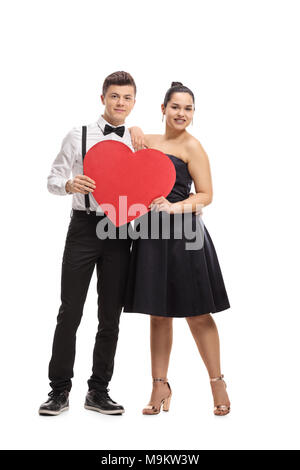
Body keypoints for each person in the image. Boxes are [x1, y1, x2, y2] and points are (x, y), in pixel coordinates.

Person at [123, 82, 231, 416]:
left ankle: (217, 383)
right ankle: (159, 385)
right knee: (158, 313)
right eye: (175, 107)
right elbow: (124, 162)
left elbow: (206, 194)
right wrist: (133, 129)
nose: (181, 113)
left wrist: (175, 207)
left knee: (198, 313)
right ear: (163, 108)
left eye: (188, 108)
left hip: (185, 235)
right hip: (151, 235)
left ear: (193, 114)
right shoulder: (148, 141)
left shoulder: (193, 147)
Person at [39, 71, 141, 416]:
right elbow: (53, 178)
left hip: (119, 231)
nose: (120, 103)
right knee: (70, 312)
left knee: (110, 315)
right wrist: (69, 185)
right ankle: (58, 391)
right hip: (83, 229)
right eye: (114, 96)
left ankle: (98, 391)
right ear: (102, 99)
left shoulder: (137, 140)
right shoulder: (77, 134)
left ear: (134, 103)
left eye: (127, 98)